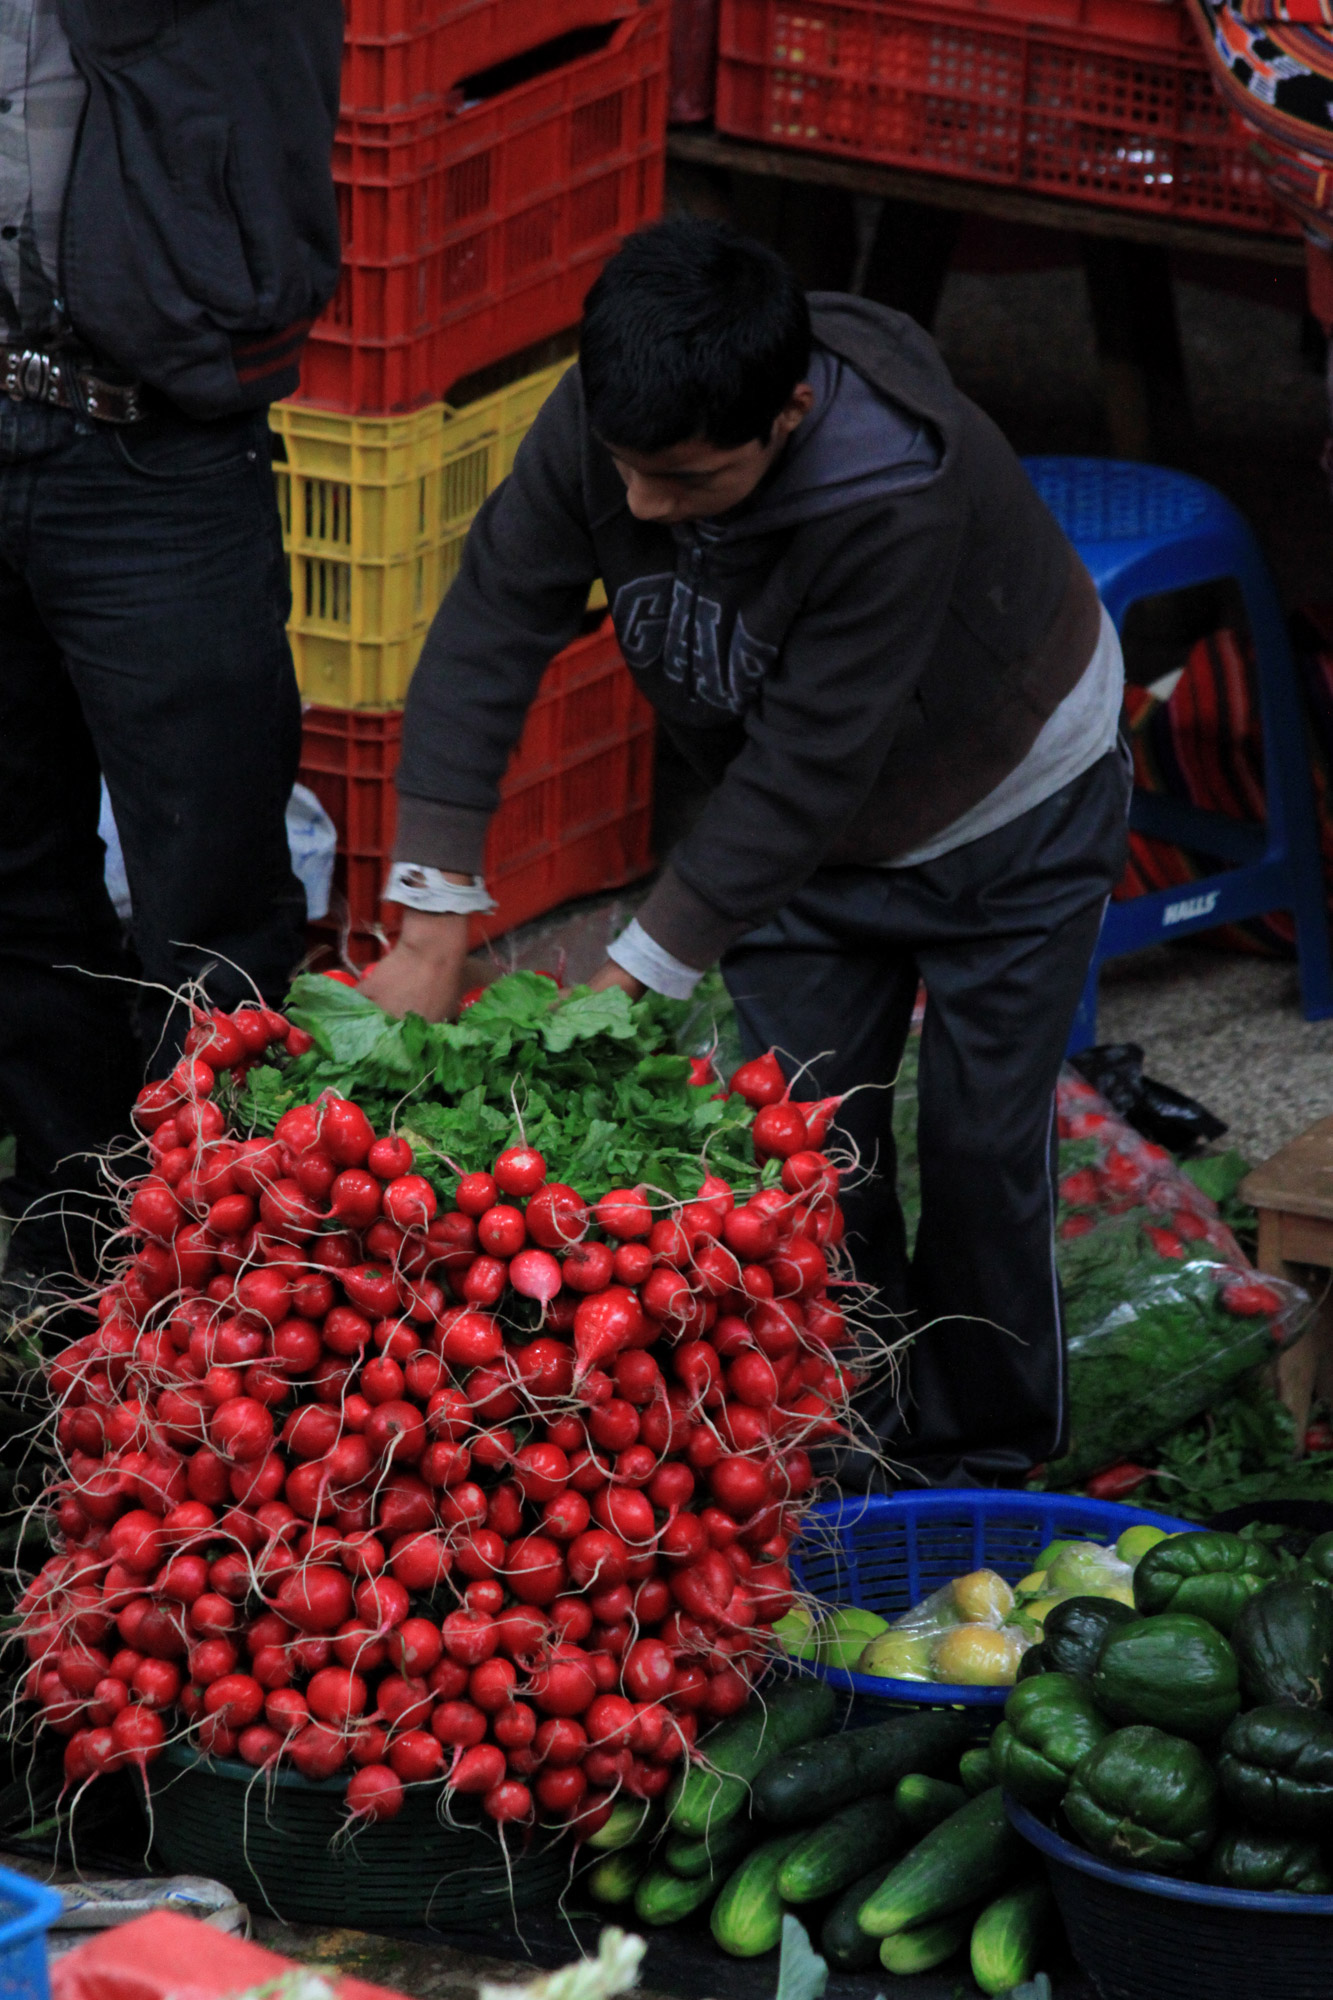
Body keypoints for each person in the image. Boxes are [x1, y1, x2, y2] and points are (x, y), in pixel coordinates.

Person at [359, 215, 1130, 1486]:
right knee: (813, 1147)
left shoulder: (894, 488)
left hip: (1010, 812)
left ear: (788, 412)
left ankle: (988, 1457)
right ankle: (854, 1427)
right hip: (796, 844)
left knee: (982, 1145)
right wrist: (431, 909)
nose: (647, 508)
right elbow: (497, 611)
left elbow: (806, 770)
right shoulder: (622, 416)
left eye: (690, 482)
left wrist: (636, 972)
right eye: (630, 473)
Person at [0, 0, 342, 1286]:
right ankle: (70, 1234)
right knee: (16, 869)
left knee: (208, 893)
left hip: (160, 442)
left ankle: (227, 1258)